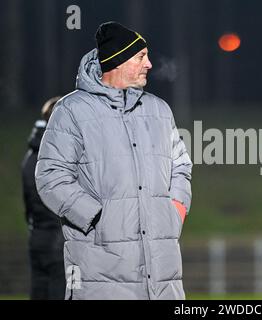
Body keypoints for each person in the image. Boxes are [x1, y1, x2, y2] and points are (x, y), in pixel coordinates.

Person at [35, 21, 193, 300]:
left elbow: (181, 165)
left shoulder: (159, 109)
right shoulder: (71, 111)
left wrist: (176, 210)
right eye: (141, 57)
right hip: (100, 275)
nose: (150, 64)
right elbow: (50, 175)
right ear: (117, 62)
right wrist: (96, 216)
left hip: (163, 277)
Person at [21, 96, 66, 300]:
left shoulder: (30, 156)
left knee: (39, 289)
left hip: (36, 235)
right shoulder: (58, 154)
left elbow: (28, 202)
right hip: (57, 236)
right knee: (59, 289)